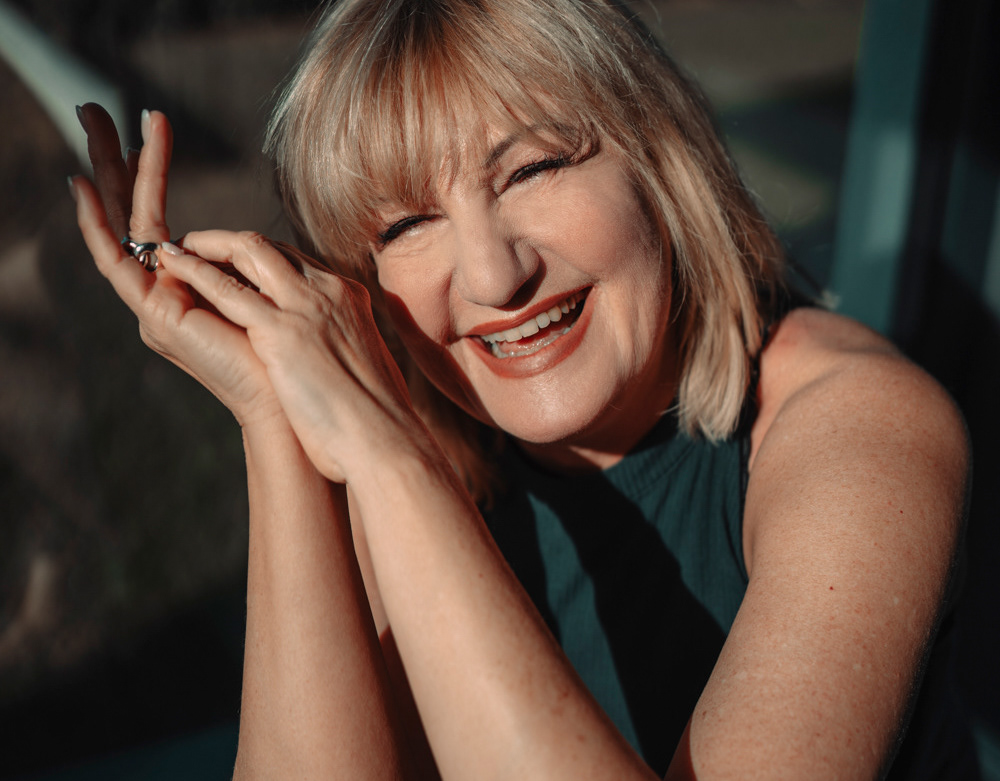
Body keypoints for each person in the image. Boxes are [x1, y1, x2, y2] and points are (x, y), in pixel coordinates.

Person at [69, 0, 977, 777]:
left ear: (661, 159)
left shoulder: (863, 426)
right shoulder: (415, 451)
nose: (493, 276)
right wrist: (270, 412)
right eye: (409, 223)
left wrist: (388, 460)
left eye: (534, 169)